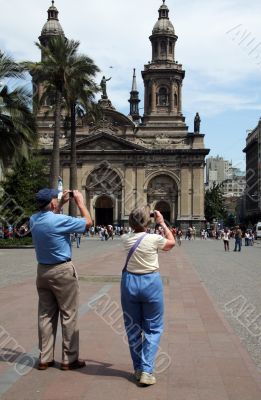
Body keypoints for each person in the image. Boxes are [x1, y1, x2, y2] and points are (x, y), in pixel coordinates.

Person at [30, 188, 92, 371]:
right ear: (52, 204)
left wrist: (61, 203)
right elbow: (88, 223)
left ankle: (45, 358)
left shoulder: (33, 219)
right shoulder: (59, 220)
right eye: (54, 199)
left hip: (42, 271)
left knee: (46, 315)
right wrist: (80, 202)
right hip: (62, 270)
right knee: (68, 314)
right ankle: (69, 359)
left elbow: (49, 217)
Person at [121, 207, 175, 386]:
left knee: (133, 327)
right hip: (151, 283)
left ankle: (137, 368)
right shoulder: (154, 239)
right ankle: (146, 370)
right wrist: (161, 222)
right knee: (153, 328)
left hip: (129, 283)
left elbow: (135, 230)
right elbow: (171, 242)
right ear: (148, 222)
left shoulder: (125, 239)